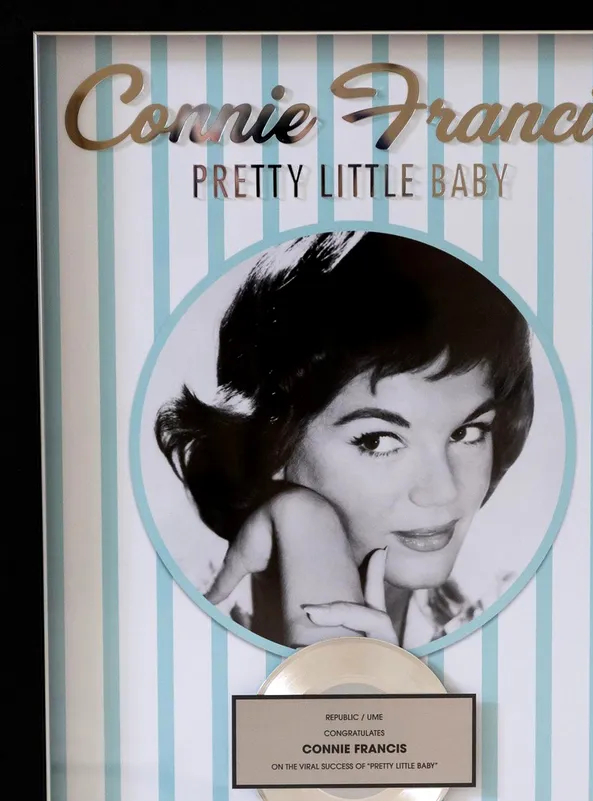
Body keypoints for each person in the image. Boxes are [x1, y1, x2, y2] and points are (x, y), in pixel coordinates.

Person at [154, 230, 534, 648]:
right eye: (378, 441)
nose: (443, 491)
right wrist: (303, 515)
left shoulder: (516, 614)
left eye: (466, 433)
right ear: (271, 445)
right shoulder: (169, 613)